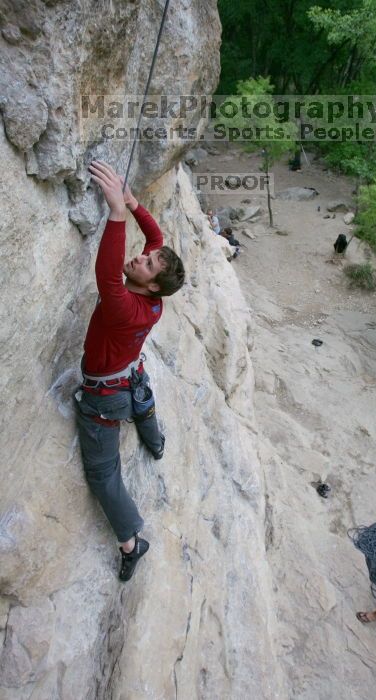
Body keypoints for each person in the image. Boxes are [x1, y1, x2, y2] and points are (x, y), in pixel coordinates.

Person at [75, 161, 185, 582]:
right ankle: (156, 444)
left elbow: (106, 275)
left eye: (147, 264)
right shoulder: (156, 299)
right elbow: (156, 237)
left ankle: (131, 542)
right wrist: (136, 204)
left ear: (152, 284)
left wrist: (118, 214)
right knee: (140, 398)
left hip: (105, 397)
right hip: (126, 374)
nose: (141, 257)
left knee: (103, 476)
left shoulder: (123, 306)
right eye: (146, 257)